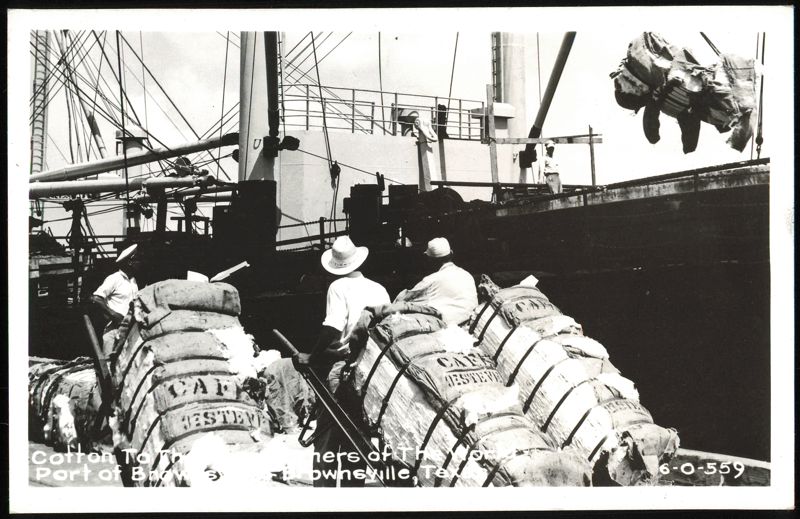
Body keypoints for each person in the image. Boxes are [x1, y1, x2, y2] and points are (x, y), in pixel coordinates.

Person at [295, 236, 390, 487]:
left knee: (327, 435)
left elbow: (332, 328)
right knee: (355, 437)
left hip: (343, 368)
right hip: (369, 371)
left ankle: (324, 499)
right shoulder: (379, 289)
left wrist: (312, 357)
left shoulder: (338, 287)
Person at [394, 237, 478, 326]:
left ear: (430, 260)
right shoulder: (467, 275)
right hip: (471, 321)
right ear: (452, 253)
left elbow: (402, 300)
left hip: (449, 326)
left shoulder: (431, 280)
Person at [92, 244, 140, 358]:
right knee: (109, 363)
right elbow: (96, 298)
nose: (140, 263)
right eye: (137, 260)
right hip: (114, 328)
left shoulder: (133, 280)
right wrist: (113, 314)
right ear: (130, 262)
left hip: (129, 329)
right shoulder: (114, 278)